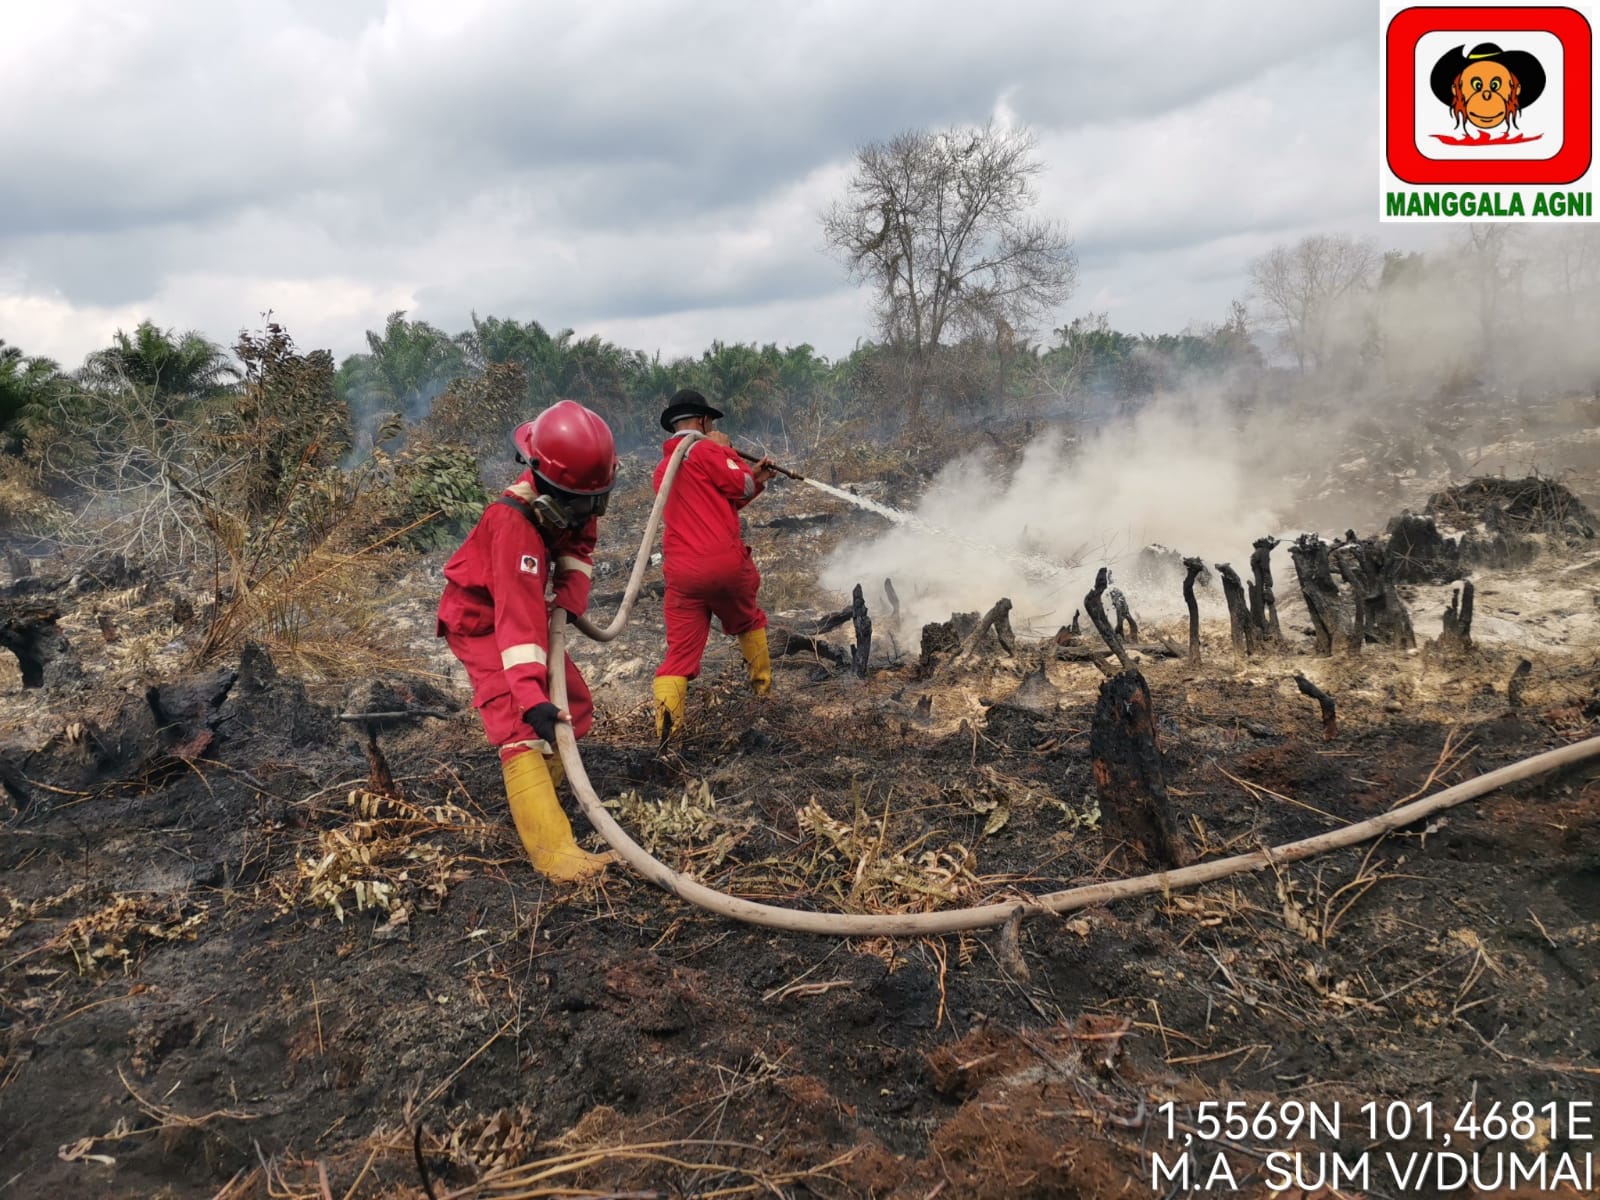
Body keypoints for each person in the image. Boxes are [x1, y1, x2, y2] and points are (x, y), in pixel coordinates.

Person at [436, 400, 618, 882]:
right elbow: (515, 626)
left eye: (594, 501)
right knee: (521, 721)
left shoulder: (576, 497)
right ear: (543, 479)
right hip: (481, 621)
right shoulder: (514, 524)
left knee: (572, 705)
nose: (587, 513)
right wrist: (530, 697)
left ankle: (542, 794)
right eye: (580, 503)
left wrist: (570, 600)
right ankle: (554, 854)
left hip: (523, 608)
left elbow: (579, 545)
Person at [650, 388, 777, 738]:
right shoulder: (708, 449)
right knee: (749, 620)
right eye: (711, 423)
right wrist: (724, 449)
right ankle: (763, 700)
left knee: (679, 656)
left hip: (682, 576)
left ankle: (667, 738)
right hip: (723, 566)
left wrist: (757, 479)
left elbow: (725, 502)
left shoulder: (663, 469)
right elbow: (740, 483)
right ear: (703, 421)